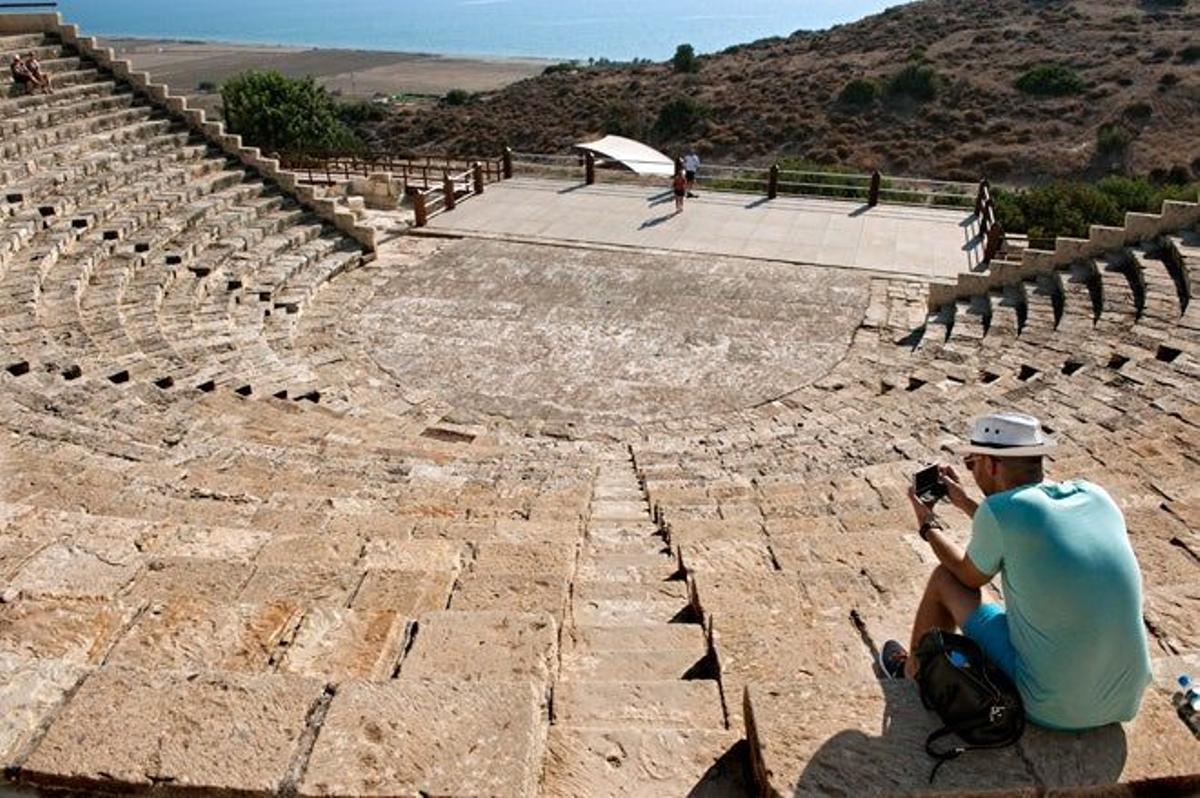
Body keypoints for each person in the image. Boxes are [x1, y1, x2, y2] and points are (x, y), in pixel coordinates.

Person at [880, 411, 1152, 732]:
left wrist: (928, 524)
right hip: (1125, 699)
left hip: (1051, 705)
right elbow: (1023, 528)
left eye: (973, 463)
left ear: (992, 465)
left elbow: (968, 576)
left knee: (944, 579)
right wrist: (965, 501)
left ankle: (914, 672)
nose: (973, 470)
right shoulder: (1095, 495)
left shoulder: (1001, 511)